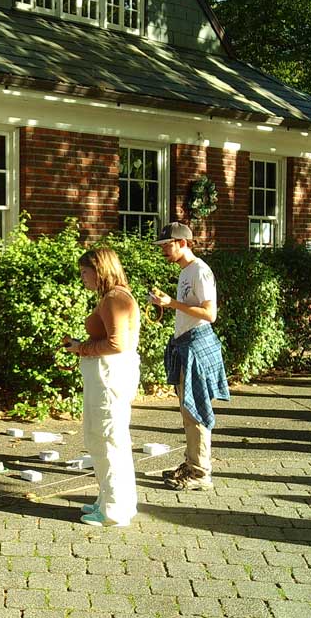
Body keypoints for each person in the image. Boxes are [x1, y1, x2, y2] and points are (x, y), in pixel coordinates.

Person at [62, 247, 141, 527]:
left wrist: (80, 348)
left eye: (85, 272)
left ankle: (113, 511)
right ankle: (113, 501)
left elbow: (118, 344)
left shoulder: (114, 298)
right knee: (108, 439)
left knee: (107, 439)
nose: (82, 277)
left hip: (110, 377)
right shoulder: (115, 296)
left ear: (100, 270)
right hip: (109, 376)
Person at [149, 222, 230, 491]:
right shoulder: (186, 271)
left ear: (182, 243)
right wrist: (168, 303)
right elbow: (188, 307)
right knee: (188, 410)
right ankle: (193, 463)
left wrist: (171, 303)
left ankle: (200, 472)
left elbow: (210, 314)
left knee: (194, 408)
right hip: (185, 344)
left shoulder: (200, 271)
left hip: (197, 345)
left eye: (167, 245)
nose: (163, 251)